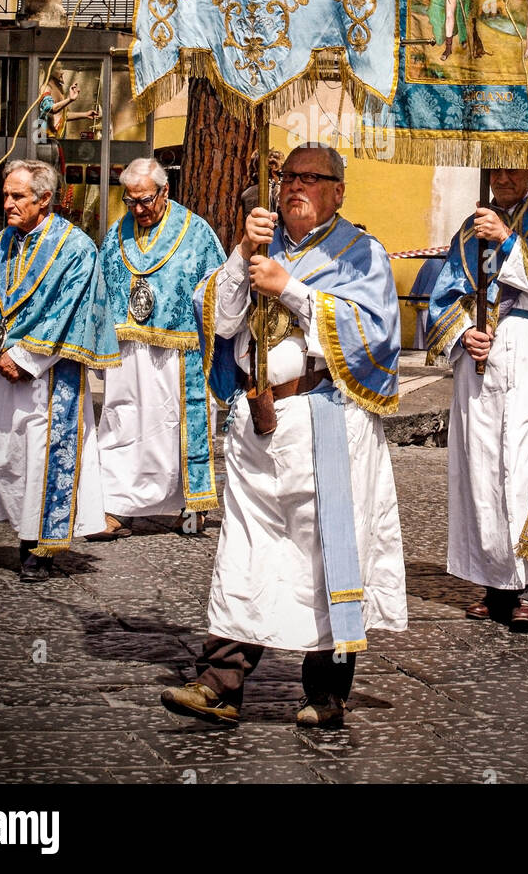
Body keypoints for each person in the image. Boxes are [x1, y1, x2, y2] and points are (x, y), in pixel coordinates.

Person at [160, 143, 407, 728]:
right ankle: (220, 682)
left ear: (338, 191)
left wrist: (290, 289)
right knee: (245, 551)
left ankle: (325, 694)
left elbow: (374, 336)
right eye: (289, 176)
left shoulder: (360, 252)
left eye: (312, 178)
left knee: (327, 555)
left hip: (325, 417)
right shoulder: (259, 243)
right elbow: (217, 321)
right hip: (255, 419)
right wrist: (245, 258)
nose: (297, 186)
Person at [426, 170, 528, 632]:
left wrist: (509, 240)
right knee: (484, 468)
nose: (503, 177)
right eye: (495, 167)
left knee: (526, 467)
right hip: (482, 362)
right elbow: (447, 291)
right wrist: (464, 330)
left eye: (513, 166)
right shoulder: (471, 223)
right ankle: (496, 582)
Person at [0, 160, 118, 581]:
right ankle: (22, 529)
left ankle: (38, 547)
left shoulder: (76, 248)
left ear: (44, 199)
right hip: (2, 368)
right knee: (6, 455)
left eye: (17, 197)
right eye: (5, 195)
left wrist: (27, 359)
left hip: (49, 376)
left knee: (42, 458)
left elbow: (72, 312)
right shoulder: (0, 244)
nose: (7, 204)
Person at [91, 158, 226, 540]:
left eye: (146, 200)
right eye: (130, 201)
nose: (138, 209)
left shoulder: (197, 233)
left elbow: (218, 292)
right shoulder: (118, 233)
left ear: (165, 192)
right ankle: (116, 504)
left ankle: (190, 505)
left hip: (178, 356)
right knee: (122, 423)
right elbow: (102, 293)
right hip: (127, 356)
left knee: (174, 427)